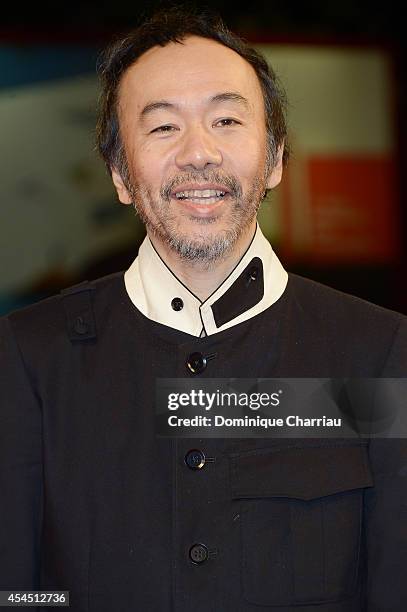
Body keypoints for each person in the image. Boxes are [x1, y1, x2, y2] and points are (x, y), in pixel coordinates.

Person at [1, 7, 407, 611]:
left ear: (273, 159)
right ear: (119, 172)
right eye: (163, 127)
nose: (199, 153)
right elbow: (20, 593)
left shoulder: (376, 352)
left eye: (225, 119)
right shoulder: (31, 356)